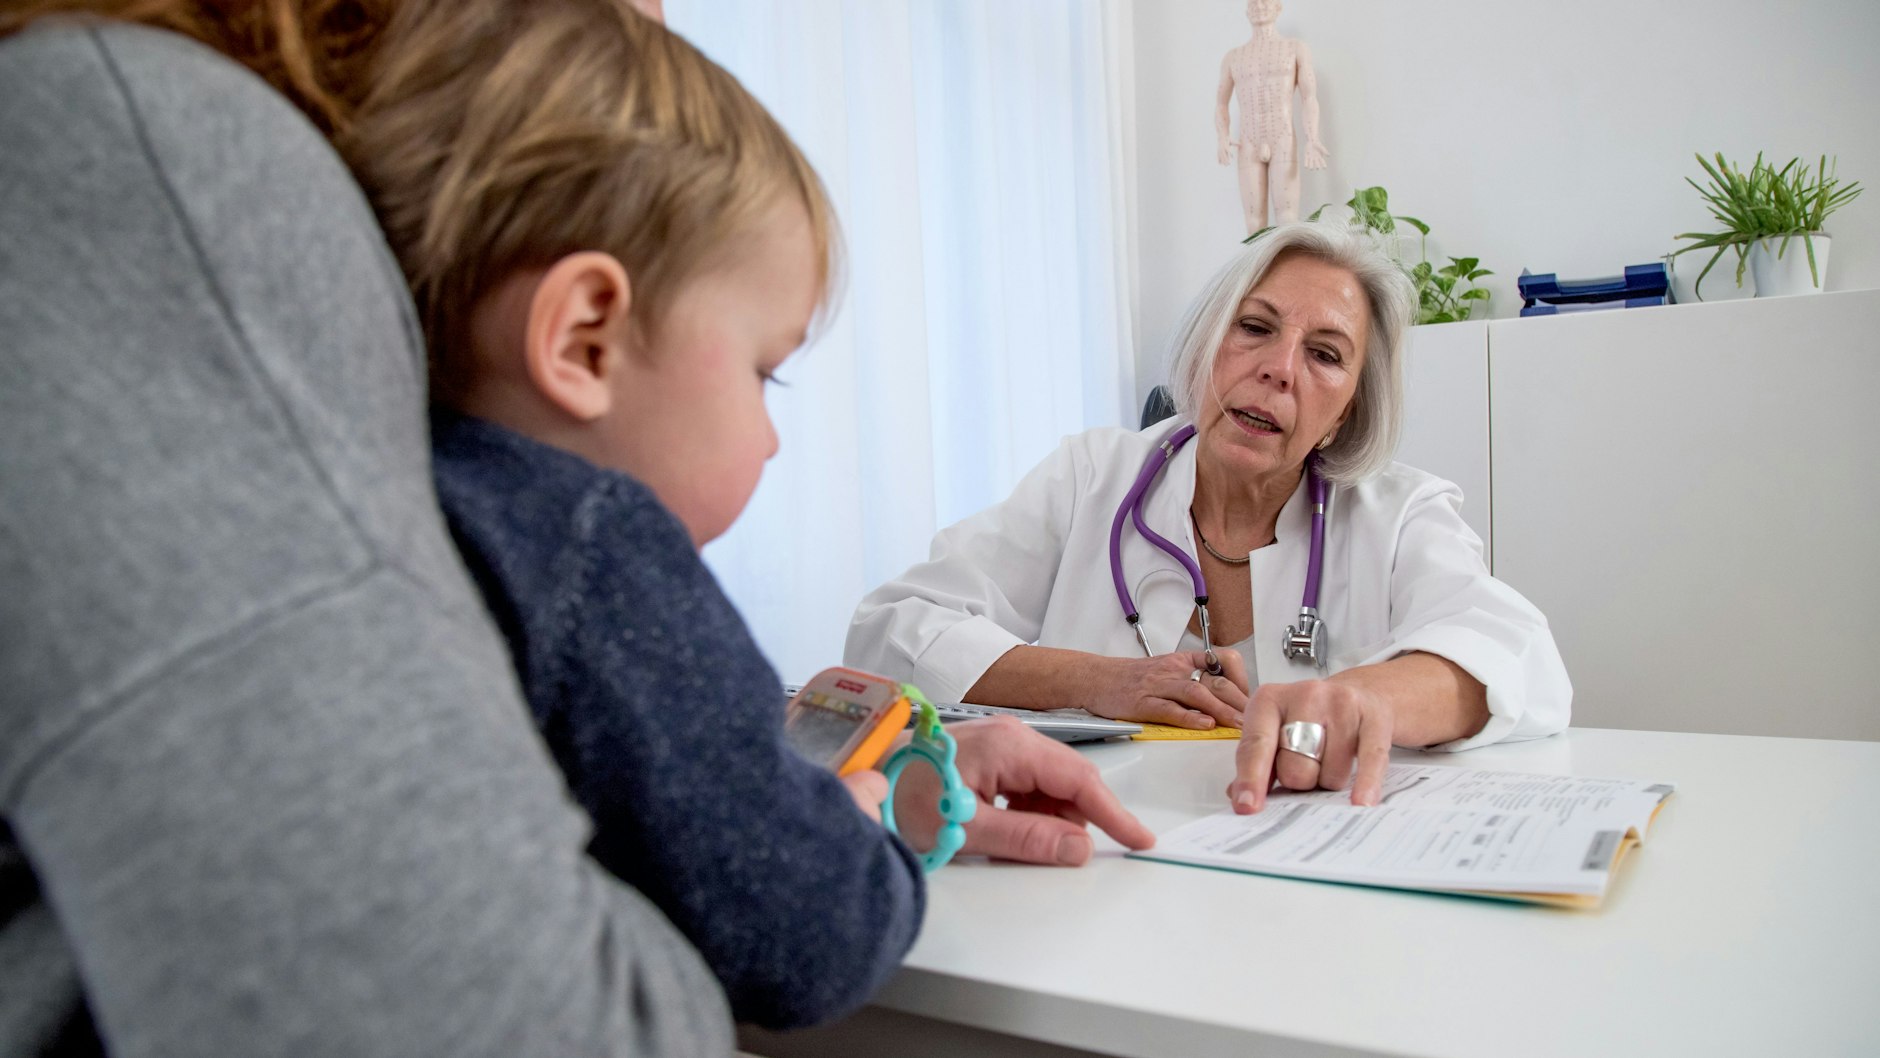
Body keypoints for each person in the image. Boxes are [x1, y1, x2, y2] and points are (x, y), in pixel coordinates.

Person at [2, 0, 1157, 1034]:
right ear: (584, 336)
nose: (769, 437)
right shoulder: (603, 551)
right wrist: (862, 830)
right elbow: (803, 925)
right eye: (766, 375)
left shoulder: (406, 480)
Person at [847, 221, 1572, 811]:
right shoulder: (1091, 477)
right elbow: (890, 630)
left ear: (1351, 404)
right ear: (1204, 344)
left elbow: (1521, 661)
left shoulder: (1399, 513)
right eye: (1254, 328)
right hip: (1098, 862)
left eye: (1324, 353)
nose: (1280, 368)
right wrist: (1097, 682)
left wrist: (1353, 698)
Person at [1215, 0, 1330, 235]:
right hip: (1248, 140)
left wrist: (1312, 138)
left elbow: (1309, 97)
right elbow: (1221, 103)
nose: (1259, 5)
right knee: (1253, 223)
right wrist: (1222, 137)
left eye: (1265, 1)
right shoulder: (1233, 57)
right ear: (1247, 10)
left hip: (1282, 137)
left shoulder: (1295, 48)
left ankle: (1285, 272)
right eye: (1253, 2)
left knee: (1287, 220)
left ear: (1278, 7)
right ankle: (1257, 272)